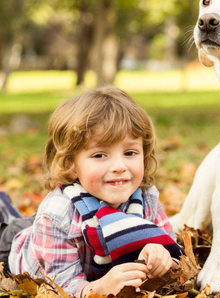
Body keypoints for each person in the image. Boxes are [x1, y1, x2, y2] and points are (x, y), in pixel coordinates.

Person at [0, 87, 184, 297]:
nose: (119, 166)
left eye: (130, 152)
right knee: (7, 228)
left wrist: (161, 256)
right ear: (70, 163)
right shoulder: (55, 217)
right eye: (100, 155)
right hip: (21, 247)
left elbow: (173, 251)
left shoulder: (146, 197)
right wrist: (98, 289)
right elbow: (58, 286)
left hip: (65, 226)